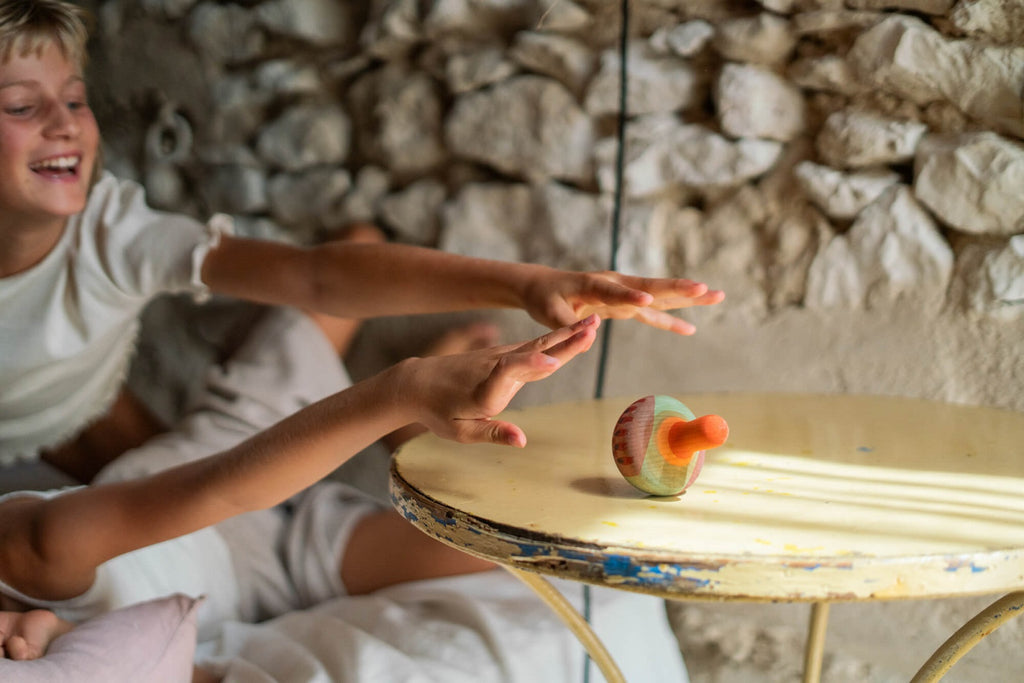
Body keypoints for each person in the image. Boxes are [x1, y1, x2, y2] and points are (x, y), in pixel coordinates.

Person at [0, 0, 724, 483]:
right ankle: (403, 426)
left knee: (168, 486)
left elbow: (317, 278)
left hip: (82, 389)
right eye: (24, 106)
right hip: (25, 407)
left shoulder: (109, 231)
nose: (64, 124)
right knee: (113, 524)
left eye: (73, 99)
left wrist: (526, 283)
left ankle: (401, 422)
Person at [0, 311, 602, 679]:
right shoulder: (67, 651)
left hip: (234, 513)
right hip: (261, 597)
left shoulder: (36, 549)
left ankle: (416, 433)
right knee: (574, 572)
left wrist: (404, 390)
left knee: (336, 287)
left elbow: (221, 489)